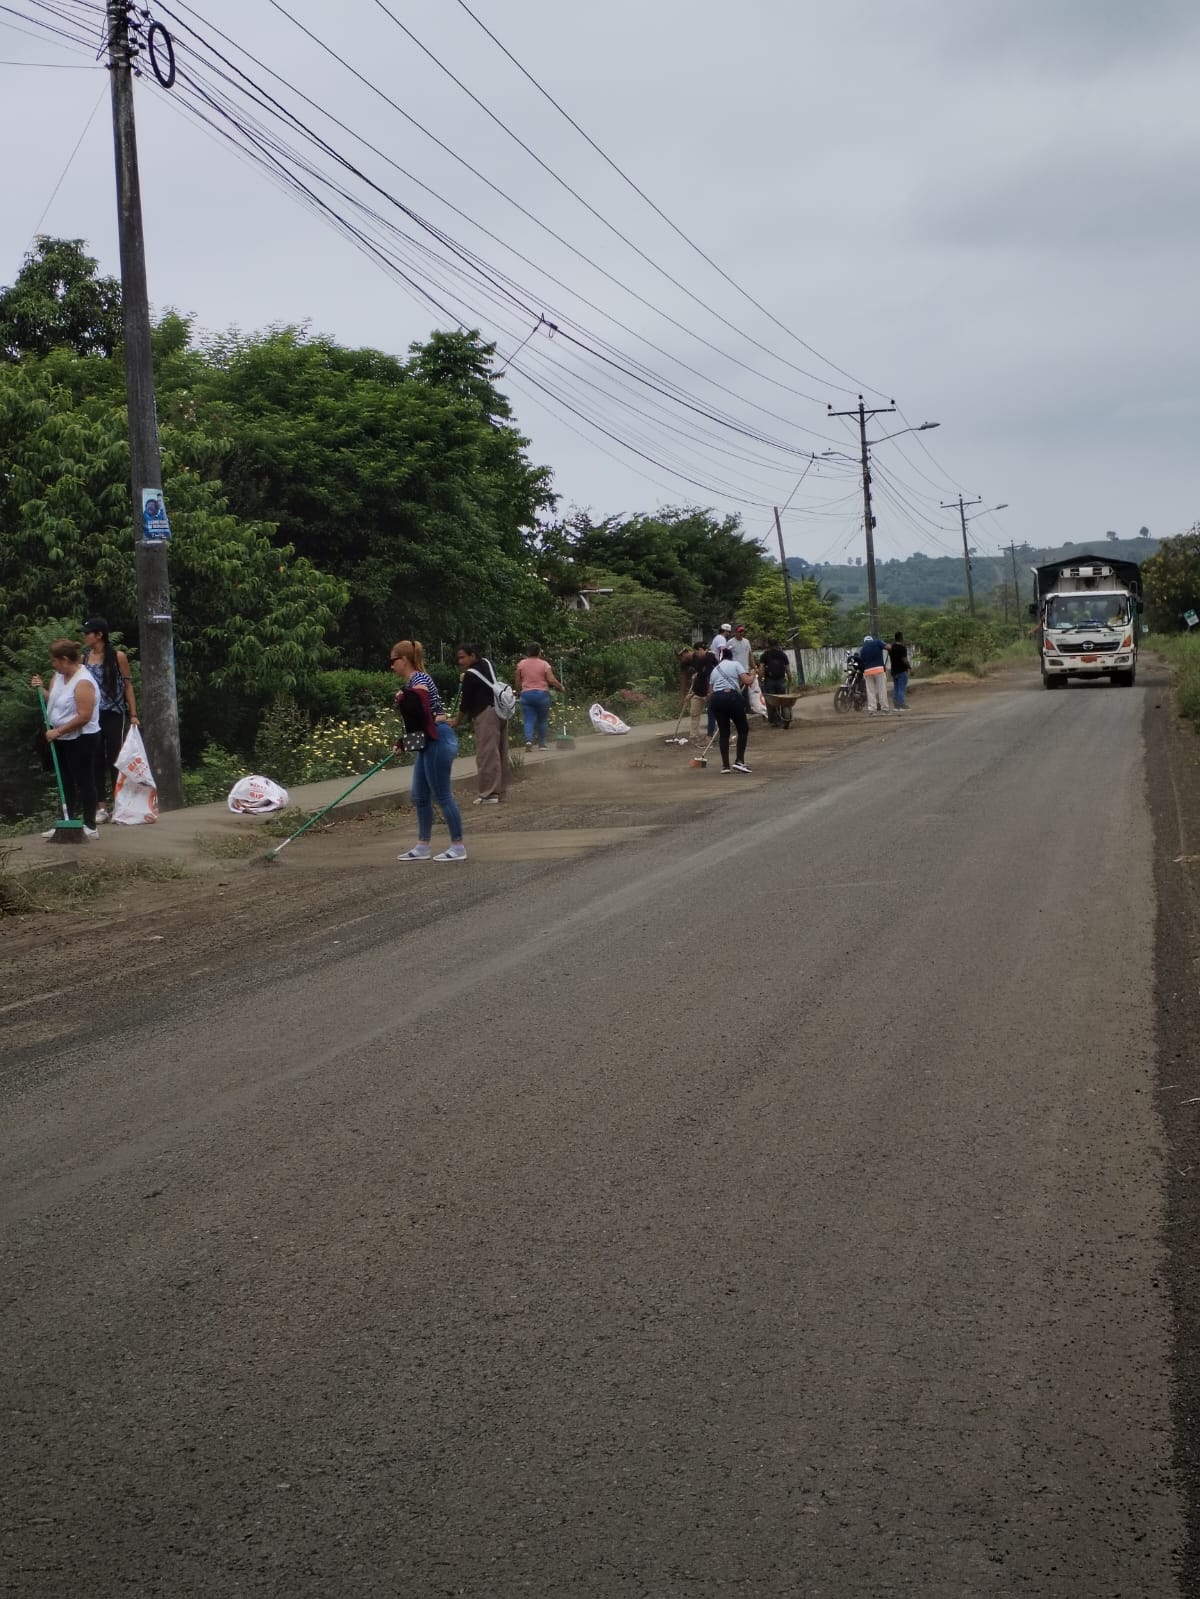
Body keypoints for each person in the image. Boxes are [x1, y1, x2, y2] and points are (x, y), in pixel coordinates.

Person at [390, 646, 466, 861]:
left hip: (439, 739)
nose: (392, 665)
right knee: (420, 795)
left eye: (393, 660)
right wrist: (404, 743)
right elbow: (421, 723)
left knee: (442, 795)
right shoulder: (412, 682)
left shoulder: (420, 679)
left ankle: (458, 846)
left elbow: (424, 712)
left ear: (404, 659)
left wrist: (405, 697)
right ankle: (423, 846)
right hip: (429, 740)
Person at [31, 640, 101, 839]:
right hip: (60, 736)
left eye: (54, 661)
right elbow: (54, 701)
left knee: (84, 780)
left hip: (82, 737)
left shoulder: (83, 681)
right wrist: (41, 689)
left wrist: (58, 731)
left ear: (64, 659)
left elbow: (84, 716)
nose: (52, 664)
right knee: (65, 780)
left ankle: (90, 825)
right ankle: (67, 822)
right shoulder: (58, 676)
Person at [81, 617, 138, 822]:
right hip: (93, 715)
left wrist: (133, 714)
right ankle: (101, 807)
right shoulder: (84, 659)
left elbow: (128, 685)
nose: (85, 637)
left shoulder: (117, 657)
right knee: (95, 758)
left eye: (88, 633)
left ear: (99, 635)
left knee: (115, 757)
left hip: (114, 712)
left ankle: (119, 804)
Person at [452, 643, 509, 804]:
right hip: (499, 711)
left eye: (463, 657)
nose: (460, 661)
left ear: (472, 655)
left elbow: (465, 703)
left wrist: (457, 720)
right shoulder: (487, 664)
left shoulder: (470, 675)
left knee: (487, 754)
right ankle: (500, 791)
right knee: (500, 752)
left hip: (485, 714)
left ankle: (489, 793)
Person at [708, 646, 754, 773]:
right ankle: (739, 761)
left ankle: (725, 766)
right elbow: (747, 681)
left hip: (717, 699)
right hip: (732, 698)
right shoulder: (735, 664)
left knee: (724, 732)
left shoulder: (715, 670)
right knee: (743, 729)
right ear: (731, 656)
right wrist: (753, 674)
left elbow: (710, 693)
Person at [513, 642, 562, 751]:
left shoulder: (521, 664)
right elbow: (551, 680)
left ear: (528, 652)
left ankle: (528, 741)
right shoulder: (544, 664)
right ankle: (542, 744)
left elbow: (517, 681)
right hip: (542, 695)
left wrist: (518, 692)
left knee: (528, 719)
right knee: (542, 720)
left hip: (527, 695)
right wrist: (560, 687)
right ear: (539, 652)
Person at [758, 637, 792, 727]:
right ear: (777, 644)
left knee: (771, 702)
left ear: (768, 644)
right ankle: (784, 717)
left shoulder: (765, 655)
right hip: (781, 680)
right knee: (782, 700)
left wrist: (759, 680)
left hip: (770, 681)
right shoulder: (782, 655)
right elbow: (788, 670)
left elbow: (761, 669)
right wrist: (790, 680)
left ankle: (774, 721)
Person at [860, 633, 891, 715]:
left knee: (870, 691)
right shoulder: (877, 642)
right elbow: (888, 647)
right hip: (879, 670)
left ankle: (872, 710)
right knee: (881, 690)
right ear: (871, 640)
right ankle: (885, 709)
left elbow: (862, 661)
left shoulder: (863, 649)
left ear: (865, 641)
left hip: (868, 671)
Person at [890, 631, 911, 710]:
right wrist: (910, 668)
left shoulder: (891, 648)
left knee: (896, 688)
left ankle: (896, 705)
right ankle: (901, 704)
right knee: (901, 688)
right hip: (901, 670)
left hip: (894, 671)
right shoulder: (902, 648)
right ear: (901, 638)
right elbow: (904, 659)